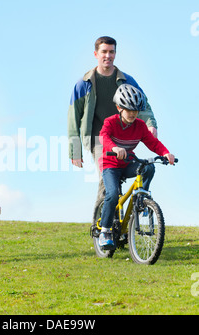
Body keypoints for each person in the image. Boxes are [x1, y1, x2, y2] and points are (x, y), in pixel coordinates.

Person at [67, 36, 157, 226]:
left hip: (124, 136)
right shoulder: (84, 84)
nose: (108, 56)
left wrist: (150, 123)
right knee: (108, 182)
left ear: (115, 53)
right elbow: (73, 118)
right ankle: (102, 226)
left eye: (112, 52)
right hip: (99, 139)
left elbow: (143, 104)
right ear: (96, 54)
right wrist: (75, 151)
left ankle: (131, 217)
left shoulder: (126, 80)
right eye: (104, 52)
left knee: (142, 169)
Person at [97, 84, 175, 249]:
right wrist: (114, 148)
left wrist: (166, 153)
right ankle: (105, 230)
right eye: (128, 109)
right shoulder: (110, 122)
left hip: (127, 163)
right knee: (112, 194)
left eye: (135, 110)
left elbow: (153, 143)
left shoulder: (139, 126)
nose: (132, 113)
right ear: (119, 107)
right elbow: (103, 137)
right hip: (110, 165)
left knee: (149, 167)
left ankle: (142, 197)